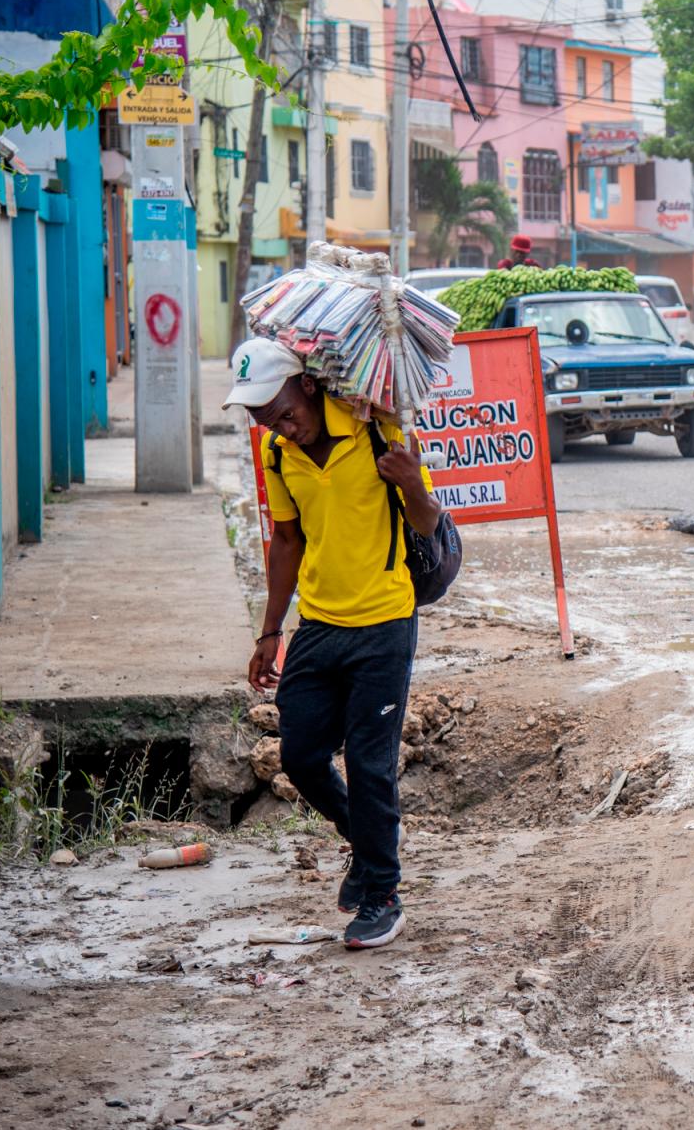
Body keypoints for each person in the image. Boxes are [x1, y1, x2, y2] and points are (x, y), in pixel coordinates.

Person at [228, 338, 442, 950]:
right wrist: (271, 632)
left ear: (308, 385)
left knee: (371, 765)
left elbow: (428, 522)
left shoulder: (381, 428)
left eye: (279, 410)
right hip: (319, 626)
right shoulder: (277, 453)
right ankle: (366, 839)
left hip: (384, 622)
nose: (275, 425)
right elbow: (287, 543)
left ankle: (383, 895)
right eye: (262, 417)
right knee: (299, 755)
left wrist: (410, 482)